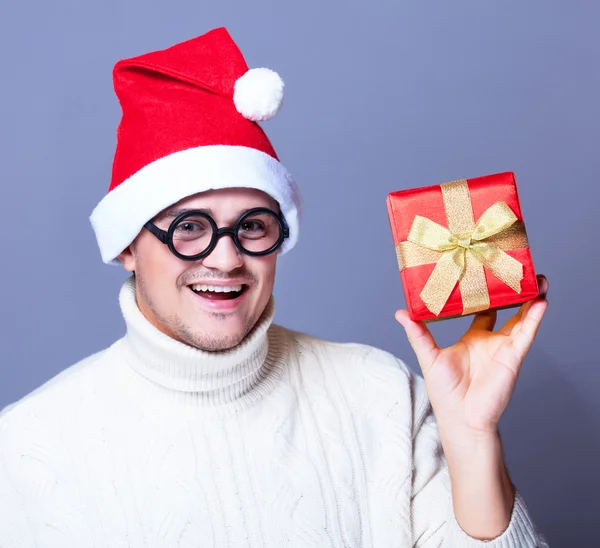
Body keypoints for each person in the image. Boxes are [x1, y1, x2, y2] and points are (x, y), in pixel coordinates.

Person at [0, 27, 550, 547]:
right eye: (190, 227)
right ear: (126, 246)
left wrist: (472, 437)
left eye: (253, 226)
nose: (227, 256)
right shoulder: (26, 450)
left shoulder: (380, 392)